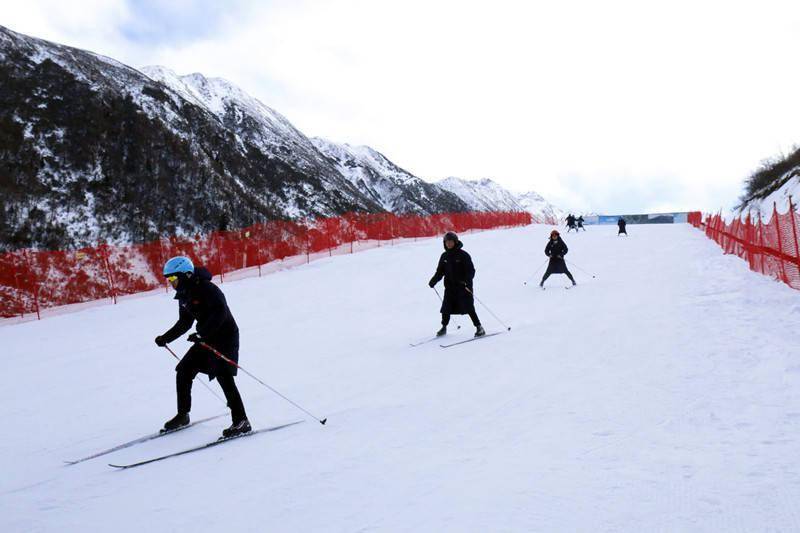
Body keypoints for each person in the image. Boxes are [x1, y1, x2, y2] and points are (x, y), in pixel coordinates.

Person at [154, 256, 251, 439]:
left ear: (186, 275)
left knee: (224, 377)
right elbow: (185, 322)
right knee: (184, 370)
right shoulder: (184, 293)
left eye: (173, 279)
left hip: (224, 337)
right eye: (169, 280)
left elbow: (220, 313)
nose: (171, 283)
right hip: (205, 338)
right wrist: (166, 338)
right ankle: (183, 415)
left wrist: (202, 334)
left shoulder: (208, 289)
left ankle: (241, 421)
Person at [428, 232, 485, 338]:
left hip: (463, 287)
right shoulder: (444, 256)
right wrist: (434, 280)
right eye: (446, 242)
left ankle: (479, 327)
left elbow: (471, 271)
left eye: (451, 241)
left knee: (469, 307)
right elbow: (440, 272)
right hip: (450, 287)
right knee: (446, 308)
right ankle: (444, 327)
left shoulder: (463, 255)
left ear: (455, 242)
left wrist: (467, 282)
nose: (449, 244)